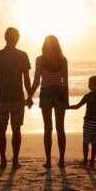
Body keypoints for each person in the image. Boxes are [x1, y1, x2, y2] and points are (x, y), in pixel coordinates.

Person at [0, 27, 33, 169]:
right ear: (17, 38)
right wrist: (30, 96)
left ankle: (3, 160)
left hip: (1, 96)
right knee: (16, 130)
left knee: (1, 129)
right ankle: (14, 160)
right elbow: (26, 79)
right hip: (17, 97)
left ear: (5, 38)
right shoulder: (22, 55)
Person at [29, 35, 69, 168]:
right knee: (60, 128)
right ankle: (62, 160)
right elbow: (65, 82)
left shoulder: (40, 60)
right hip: (59, 93)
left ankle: (48, 161)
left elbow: (36, 80)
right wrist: (66, 100)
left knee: (47, 128)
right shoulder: (63, 60)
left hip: (46, 93)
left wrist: (29, 96)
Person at [68, 76, 96, 167]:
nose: (88, 85)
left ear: (92, 85)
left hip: (88, 122)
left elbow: (77, 106)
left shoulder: (88, 96)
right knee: (95, 142)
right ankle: (92, 161)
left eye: (89, 84)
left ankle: (86, 159)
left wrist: (67, 107)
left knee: (85, 142)